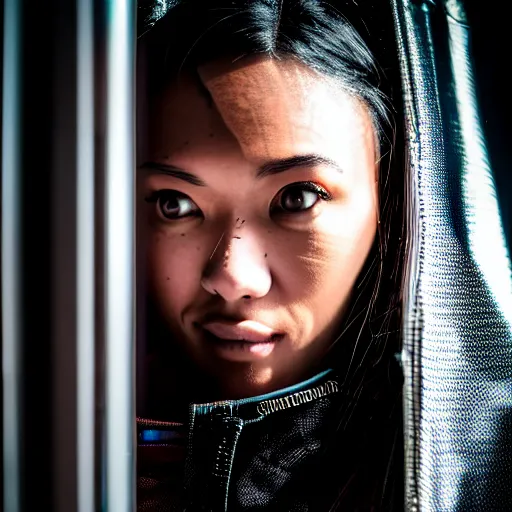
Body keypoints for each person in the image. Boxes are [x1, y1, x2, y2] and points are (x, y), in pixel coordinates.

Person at [136, 0, 406, 510]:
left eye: (297, 198)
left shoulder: (477, 463)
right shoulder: (47, 438)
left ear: (390, 206)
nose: (234, 277)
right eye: (176, 204)